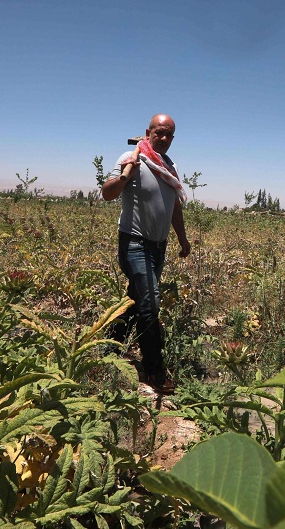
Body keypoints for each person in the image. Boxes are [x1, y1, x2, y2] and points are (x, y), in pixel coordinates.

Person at [101, 114, 190, 392]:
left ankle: (109, 347)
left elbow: (174, 206)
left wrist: (182, 238)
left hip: (158, 245)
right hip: (134, 242)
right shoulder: (131, 157)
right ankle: (155, 371)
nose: (164, 139)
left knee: (136, 297)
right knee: (150, 303)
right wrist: (127, 172)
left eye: (169, 135)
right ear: (148, 132)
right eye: (159, 133)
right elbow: (107, 193)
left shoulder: (169, 166)